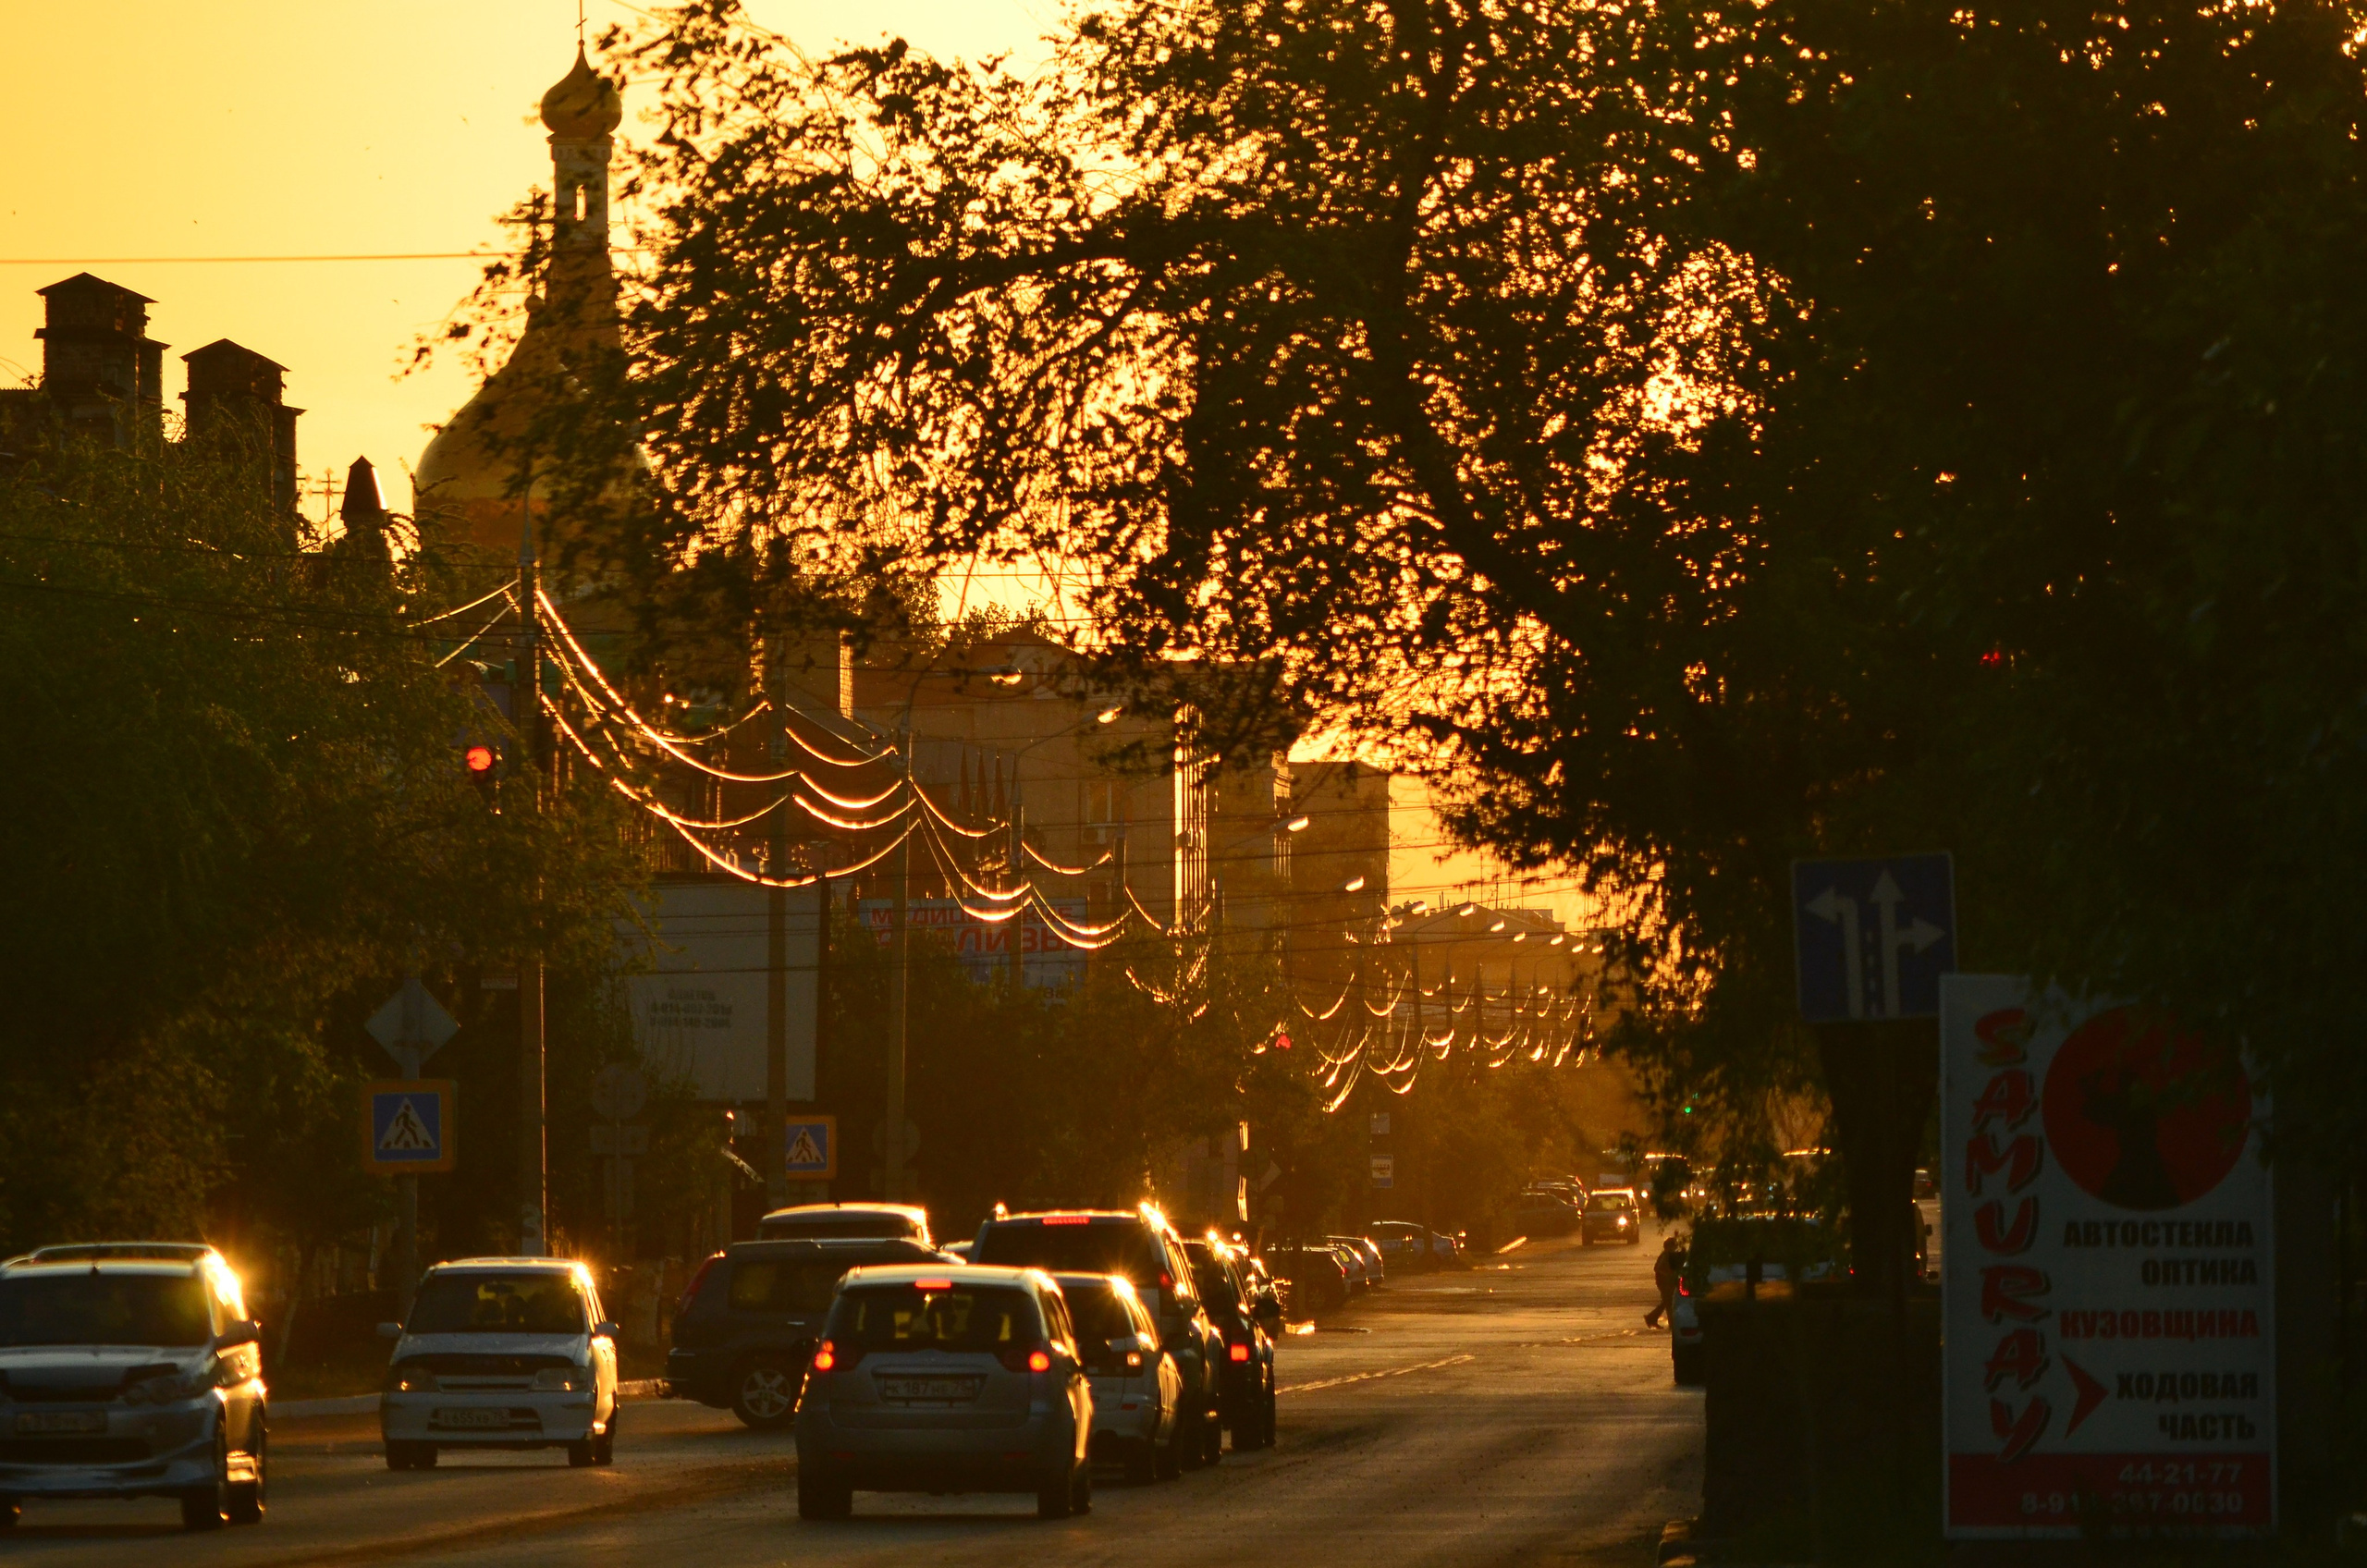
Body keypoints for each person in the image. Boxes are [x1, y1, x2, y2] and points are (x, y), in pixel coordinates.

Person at [1645, 1235, 1681, 1328]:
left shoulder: (1669, 1255)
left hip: (1667, 1282)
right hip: (1664, 1282)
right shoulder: (1666, 1255)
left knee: (1667, 1301)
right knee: (1668, 1302)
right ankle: (1672, 1325)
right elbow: (1657, 1268)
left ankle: (1651, 1318)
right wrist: (1668, 1275)